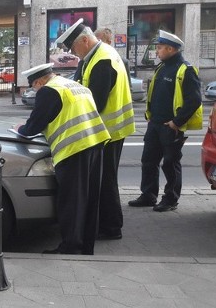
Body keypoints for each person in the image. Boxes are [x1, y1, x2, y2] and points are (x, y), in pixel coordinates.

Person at [14, 63, 110, 255]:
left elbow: (33, 126)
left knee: (71, 201)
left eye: (33, 86)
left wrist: (20, 129)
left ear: (40, 81)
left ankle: (71, 247)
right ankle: (86, 246)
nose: (34, 91)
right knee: (90, 199)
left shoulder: (49, 91)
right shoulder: (75, 86)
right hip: (95, 144)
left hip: (73, 149)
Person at [57, 19, 135, 241]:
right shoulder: (97, 55)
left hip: (109, 131)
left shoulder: (103, 60)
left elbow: (95, 103)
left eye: (73, 48)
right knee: (104, 180)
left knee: (106, 181)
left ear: (84, 40)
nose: (73, 53)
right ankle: (106, 222)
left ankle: (111, 227)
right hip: (107, 130)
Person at [128, 30, 202, 212]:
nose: (157, 52)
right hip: (155, 124)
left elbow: (194, 100)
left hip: (171, 127)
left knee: (170, 164)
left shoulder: (186, 69)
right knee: (148, 161)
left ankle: (170, 199)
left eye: (160, 48)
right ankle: (148, 195)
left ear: (171, 49)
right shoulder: (161, 67)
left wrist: (176, 122)